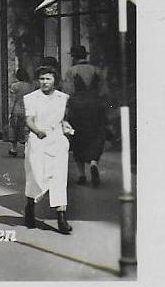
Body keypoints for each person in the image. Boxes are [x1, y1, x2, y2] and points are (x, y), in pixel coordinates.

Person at [23, 65, 75, 234]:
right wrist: (38, 131)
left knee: (59, 178)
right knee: (36, 176)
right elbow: (29, 120)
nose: (44, 82)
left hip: (57, 141)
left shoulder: (63, 98)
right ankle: (30, 207)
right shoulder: (31, 98)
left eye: (48, 79)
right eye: (42, 79)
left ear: (55, 80)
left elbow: (63, 119)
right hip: (38, 140)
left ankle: (61, 217)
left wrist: (66, 126)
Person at [63, 46, 108, 187]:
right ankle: (94, 162)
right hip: (96, 108)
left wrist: (66, 110)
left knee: (78, 138)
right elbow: (104, 91)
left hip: (78, 109)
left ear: (74, 57)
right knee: (96, 135)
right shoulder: (96, 70)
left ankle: (81, 174)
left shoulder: (71, 71)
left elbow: (68, 91)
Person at [7, 68, 35, 157]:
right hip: (28, 109)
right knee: (27, 130)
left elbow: (12, 99)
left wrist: (9, 111)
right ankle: (26, 150)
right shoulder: (31, 86)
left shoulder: (15, 86)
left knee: (14, 128)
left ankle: (13, 149)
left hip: (17, 108)